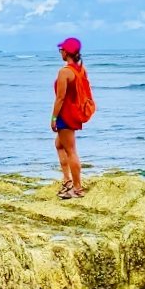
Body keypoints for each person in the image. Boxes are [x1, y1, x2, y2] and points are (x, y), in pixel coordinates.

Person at [51, 37, 86, 199]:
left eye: (61, 50)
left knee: (71, 151)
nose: (60, 53)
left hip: (65, 115)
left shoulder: (64, 72)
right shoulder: (80, 69)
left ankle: (77, 189)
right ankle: (67, 180)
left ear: (66, 52)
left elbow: (60, 98)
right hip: (74, 113)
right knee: (59, 144)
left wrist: (53, 118)